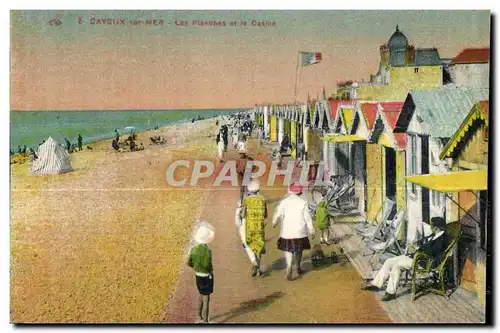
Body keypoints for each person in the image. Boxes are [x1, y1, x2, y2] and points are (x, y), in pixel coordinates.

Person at [361, 217, 451, 301]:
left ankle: (390, 292)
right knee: (389, 261)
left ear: (436, 228)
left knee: (397, 266)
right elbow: (424, 241)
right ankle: (376, 284)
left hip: (424, 261)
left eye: (431, 225)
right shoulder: (435, 234)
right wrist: (416, 244)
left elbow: (432, 252)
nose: (430, 227)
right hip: (417, 256)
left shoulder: (442, 239)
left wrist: (418, 249)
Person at [272, 183, 315, 281]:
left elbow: (277, 214)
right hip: (300, 232)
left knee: (288, 251)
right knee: (298, 250)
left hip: (287, 231)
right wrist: (311, 230)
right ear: (300, 192)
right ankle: (298, 267)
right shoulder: (303, 202)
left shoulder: (284, 202)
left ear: (290, 191)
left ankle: (289, 267)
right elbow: (307, 218)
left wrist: (274, 222)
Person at [187, 221, 215, 324]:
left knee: (200, 295)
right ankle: (205, 321)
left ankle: (198, 315)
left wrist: (195, 267)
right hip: (207, 276)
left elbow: (189, 262)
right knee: (206, 298)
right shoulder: (208, 251)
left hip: (198, 275)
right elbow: (209, 265)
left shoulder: (194, 250)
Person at [240, 180, 268, 277]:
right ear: (258, 190)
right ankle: (258, 268)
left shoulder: (246, 200)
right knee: (259, 247)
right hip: (259, 226)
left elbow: (243, 215)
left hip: (250, 226)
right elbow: (265, 215)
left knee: (250, 245)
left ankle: (255, 264)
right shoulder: (262, 199)